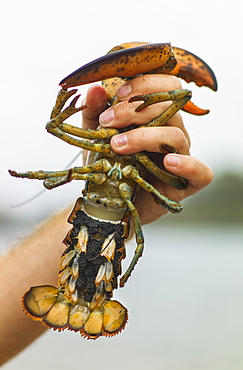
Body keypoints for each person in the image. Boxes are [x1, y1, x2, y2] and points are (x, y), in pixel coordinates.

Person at [0, 74, 213, 365]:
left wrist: (154, 192)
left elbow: (55, 127)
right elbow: (182, 95)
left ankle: (79, 293)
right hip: (115, 212)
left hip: (111, 210)